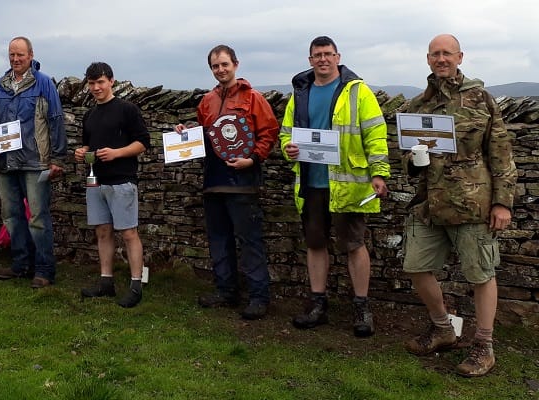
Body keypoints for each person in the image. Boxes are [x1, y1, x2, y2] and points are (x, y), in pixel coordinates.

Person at [402, 34, 516, 377]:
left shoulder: (481, 99)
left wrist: (502, 203)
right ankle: (442, 328)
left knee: (481, 275)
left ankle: (483, 345)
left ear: (459, 57)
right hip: (429, 205)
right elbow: (408, 158)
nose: (441, 59)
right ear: (427, 59)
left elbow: (502, 155)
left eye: (446, 53)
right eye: (435, 54)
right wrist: (414, 160)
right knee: (415, 266)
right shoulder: (419, 104)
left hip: (472, 203)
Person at [280, 36, 389, 337]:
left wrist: (379, 173)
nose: (323, 59)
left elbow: (376, 133)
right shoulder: (300, 93)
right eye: (318, 55)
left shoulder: (358, 91)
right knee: (315, 244)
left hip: (348, 183)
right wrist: (287, 149)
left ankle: (362, 307)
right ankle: (318, 304)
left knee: (354, 245)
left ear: (338, 57)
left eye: (328, 54)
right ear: (310, 59)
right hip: (311, 182)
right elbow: (286, 133)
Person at [174, 44, 279, 320]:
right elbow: (203, 136)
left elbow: (269, 132)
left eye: (224, 64)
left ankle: (259, 296)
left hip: (243, 180)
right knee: (219, 240)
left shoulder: (253, 98)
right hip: (213, 181)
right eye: (215, 66)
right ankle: (226, 291)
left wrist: (254, 159)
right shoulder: (206, 101)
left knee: (249, 241)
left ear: (235, 64)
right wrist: (185, 133)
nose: (220, 69)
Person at [0, 36, 67, 288]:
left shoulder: (44, 83)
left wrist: (57, 158)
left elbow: (56, 120)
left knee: (37, 217)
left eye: (20, 55)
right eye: (12, 55)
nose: (16, 59)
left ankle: (45, 270)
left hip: (35, 161)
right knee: (11, 215)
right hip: (5, 162)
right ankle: (21, 264)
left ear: (31, 55)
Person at [75, 62, 150, 308]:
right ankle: (106, 282)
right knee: (103, 232)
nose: (96, 88)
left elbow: (142, 143)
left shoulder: (127, 110)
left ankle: (136, 285)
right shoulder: (89, 114)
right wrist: (82, 151)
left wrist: (117, 153)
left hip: (122, 180)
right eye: (92, 83)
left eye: (100, 82)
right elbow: (88, 144)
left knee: (128, 233)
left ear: (111, 82)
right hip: (96, 181)